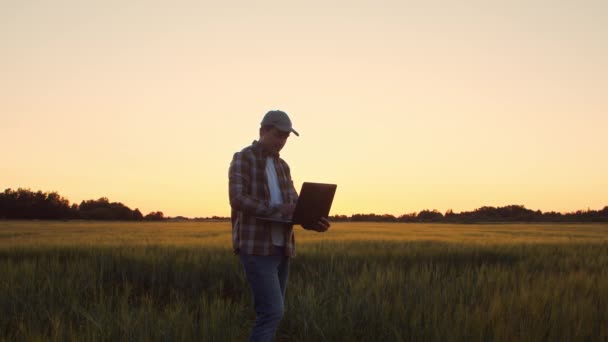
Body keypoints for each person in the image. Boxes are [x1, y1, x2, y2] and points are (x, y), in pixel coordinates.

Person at [228, 110, 330, 341]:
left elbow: (294, 204)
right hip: (256, 247)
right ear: (263, 131)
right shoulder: (243, 158)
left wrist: (312, 221)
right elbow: (237, 198)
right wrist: (275, 209)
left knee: (271, 314)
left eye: (285, 137)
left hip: (283, 247)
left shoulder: (283, 166)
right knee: (272, 312)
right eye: (278, 135)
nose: (281, 141)